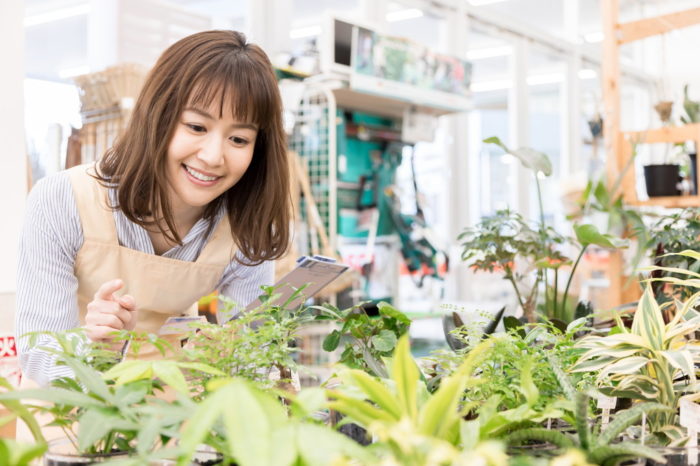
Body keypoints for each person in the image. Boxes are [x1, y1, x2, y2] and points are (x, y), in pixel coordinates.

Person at [16, 30, 291, 386]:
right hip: (69, 404)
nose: (212, 157)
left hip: (170, 404)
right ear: (157, 117)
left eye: (239, 139)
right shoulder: (62, 199)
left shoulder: (246, 226)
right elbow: (42, 353)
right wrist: (99, 348)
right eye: (196, 126)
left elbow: (252, 354)